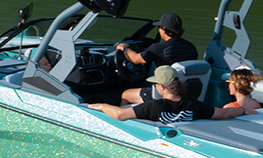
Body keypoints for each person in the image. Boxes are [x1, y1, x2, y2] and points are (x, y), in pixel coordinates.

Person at [88, 66, 244, 123]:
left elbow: (120, 114)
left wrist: (103, 105)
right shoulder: (193, 105)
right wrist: (243, 110)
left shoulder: (154, 106)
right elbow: (224, 114)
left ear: (161, 86)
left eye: (155, 84)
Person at [119, 13, 198, 105]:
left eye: (159, 27)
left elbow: (135, 59)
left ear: (164, 29)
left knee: (126, 95)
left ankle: (124, 114)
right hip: (185, 91)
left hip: (164, 92)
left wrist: (125, 48)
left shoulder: (158, 48)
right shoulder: (191, 47)